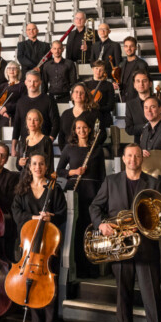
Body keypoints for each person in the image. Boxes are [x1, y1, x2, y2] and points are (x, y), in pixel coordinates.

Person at [91, 141, 161, 322]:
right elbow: (95, 206)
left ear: (142, 158)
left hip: (146, 247)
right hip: (120, 248)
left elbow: (160, 215)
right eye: (129, 156)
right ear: (123, 158)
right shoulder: (111, 181)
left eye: (137, 156)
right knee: (123, 295)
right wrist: (101, 224)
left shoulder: (154, 183)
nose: (133, 160)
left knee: (152, 296)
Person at [10, 153, 67, 322]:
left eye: (41, 164)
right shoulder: (22, 189)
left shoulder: (55, 189)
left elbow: (62, 213)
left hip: (47, 247)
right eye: (34, 163)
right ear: (29, 167)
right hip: (27, 247)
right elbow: (16, 213)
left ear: (46, 166)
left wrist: (51, 217)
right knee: (30, 285)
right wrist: (34, 218)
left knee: (49, 287)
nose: (37, 167)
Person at [56, 116, 104, 279]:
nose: (81, 130)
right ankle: (79, 269)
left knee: (91, 230)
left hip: (93, 193)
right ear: (74, 130)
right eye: (78, 128)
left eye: (84, 127)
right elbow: (59, 172)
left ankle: (93, 269)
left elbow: (102, 176)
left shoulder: (97, 149)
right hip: (76, 192)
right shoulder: (69, 148)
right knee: (77, 231)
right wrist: (74, 172)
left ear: (89, 129)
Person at [12, 70, 55, 146]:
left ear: (40, 82)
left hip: (43, 145)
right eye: (29, 81)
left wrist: (48, 141)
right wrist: (13, 147)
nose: (32, 84)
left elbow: (56, 123)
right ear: (25, 82)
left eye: (35, 81)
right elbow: (17, 125)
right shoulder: (20, 102)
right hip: (24, 144)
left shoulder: (48, 100)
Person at [41, 40, 74, 106]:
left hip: (66, 96)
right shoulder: (46, 65)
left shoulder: (69, 64)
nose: (57, 51)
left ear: (63, 49)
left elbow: (74, 82)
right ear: (51, 50)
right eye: (55, 48)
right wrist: (43, 99)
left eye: (59, 48)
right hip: (51, 96)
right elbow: (44, 83)